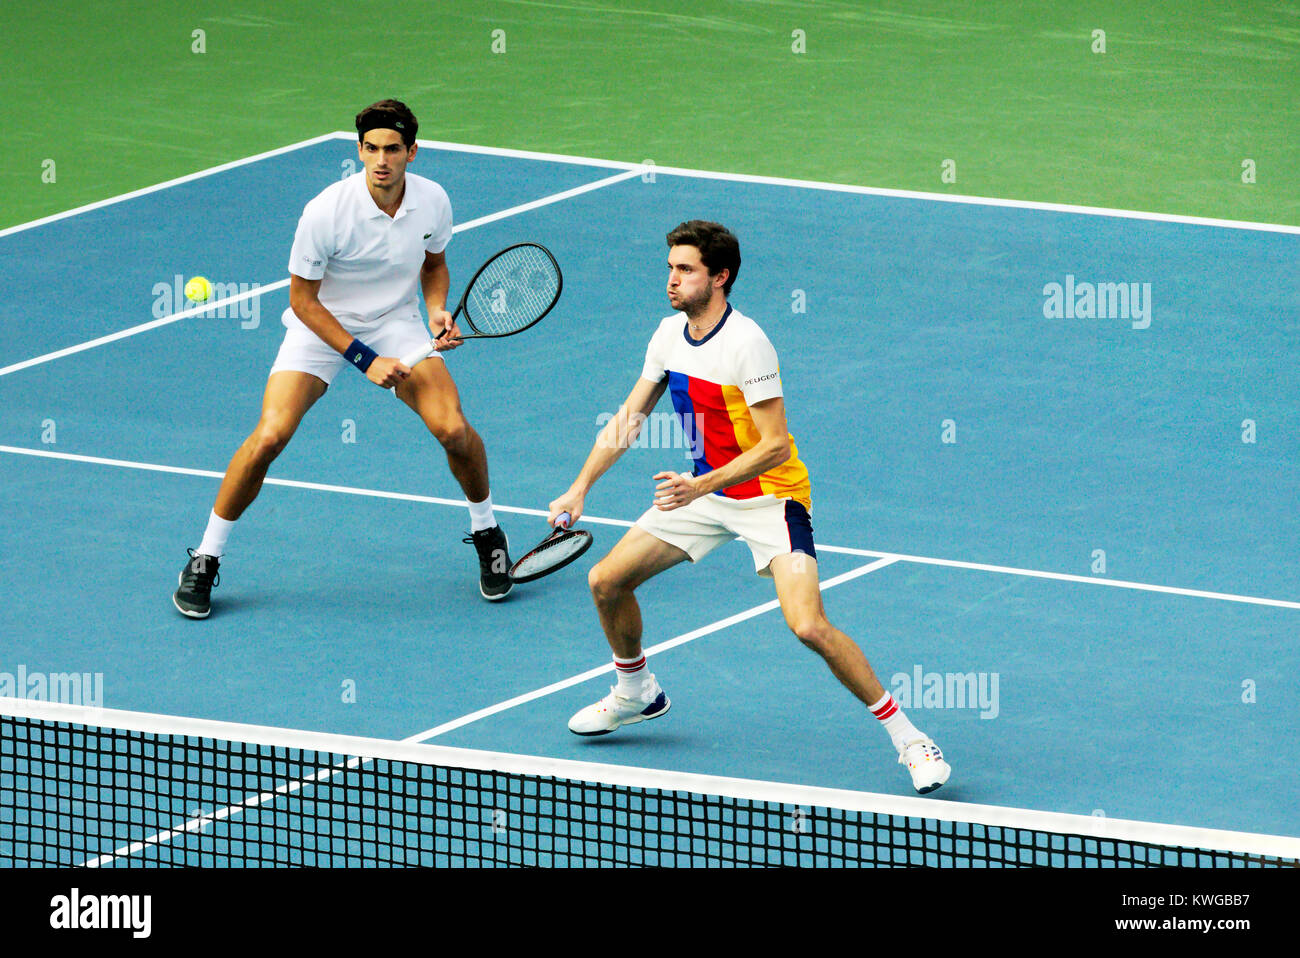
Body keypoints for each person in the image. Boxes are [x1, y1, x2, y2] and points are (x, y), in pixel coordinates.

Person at [548, 221, 950, 794]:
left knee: (808, 624)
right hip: (705, 493)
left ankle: (909, 738)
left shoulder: (747, 343)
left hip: (769, 497)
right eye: (669, 267)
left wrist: (698, 485)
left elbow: (776, 445)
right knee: (606, 581)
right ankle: (636, 692)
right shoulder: (667, 335)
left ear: (720, 277)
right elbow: (628, 418)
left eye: (685, 270)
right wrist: (579, 487)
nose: (672, 279)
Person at [173, 99, 513, 618]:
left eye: (393, 149)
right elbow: (302, 302)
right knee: (270, 436)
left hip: (395, 323)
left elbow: (434, 263)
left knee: (452, 429)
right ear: (359, 151)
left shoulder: (434, 201)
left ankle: (487, 530)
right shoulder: (326, 212)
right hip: (321, 326)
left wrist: (438, 308)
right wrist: (364, 359)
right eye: (371, 149)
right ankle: (205, 557)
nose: (381, 160)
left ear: (412, 153)